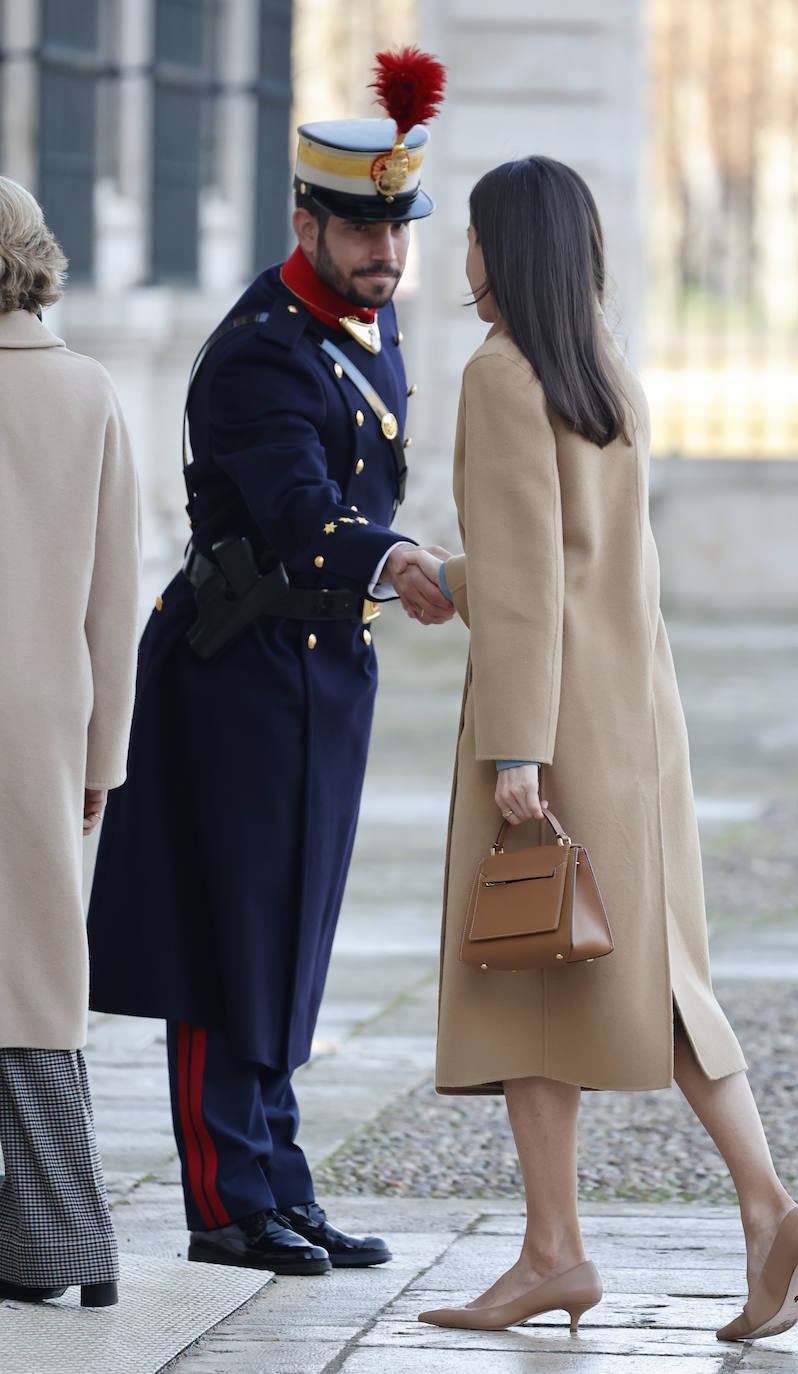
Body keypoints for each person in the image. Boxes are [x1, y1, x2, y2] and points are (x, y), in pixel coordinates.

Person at [403, 157, 798, 1342]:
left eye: (476, 236)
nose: (464, 258)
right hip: (635, 721)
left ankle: (560, 1250)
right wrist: (449, 576)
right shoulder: (603, 371)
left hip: (550, 726)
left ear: (506, 251)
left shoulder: (499, 376)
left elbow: (537, 585)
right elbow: (584, 565)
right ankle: (755, 1210)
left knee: (526, 964)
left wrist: (515, 751)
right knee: (652, 973)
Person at [86, 51, 452, 1277]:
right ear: (307, 220)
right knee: (224, 935)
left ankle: (279, 1177)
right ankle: (221, 1201)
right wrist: (397, 560)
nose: (383, 253)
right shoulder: (261, 350)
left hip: (319, 677)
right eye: (359, 229)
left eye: (394, 229)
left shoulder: (362, 324)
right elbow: (301, 509)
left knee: (290, 936)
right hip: (235, 675)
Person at [0, 177, 141, 1308]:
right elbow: (115, 600)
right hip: (45, 713)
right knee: (39, 974)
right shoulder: (89, 390)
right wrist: (105, 760)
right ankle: (63, 1248)